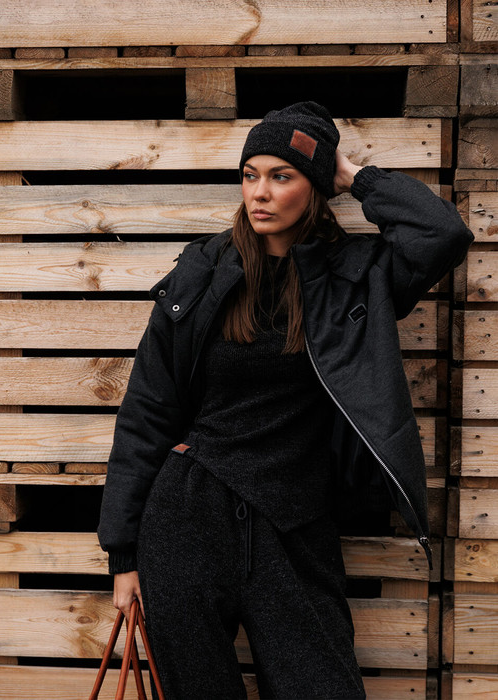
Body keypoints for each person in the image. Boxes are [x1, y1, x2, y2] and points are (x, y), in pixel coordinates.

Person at [98, 102, 474, 699]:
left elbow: (442, 234)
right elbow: (148, 411)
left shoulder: (357, 275)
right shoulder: (203, 272)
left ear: (316, 188)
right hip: (188, 519)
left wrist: (350, 175)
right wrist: (123, 555)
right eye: (250, 175)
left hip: (296, 524)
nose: (260, 192)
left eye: (282, 176)